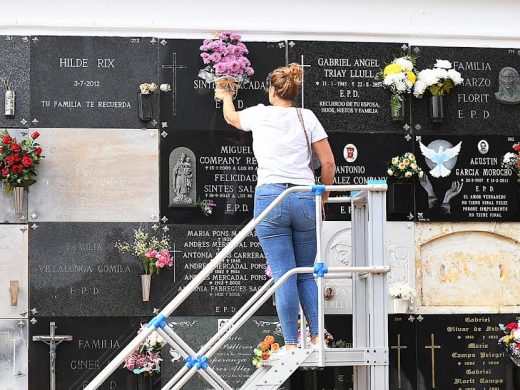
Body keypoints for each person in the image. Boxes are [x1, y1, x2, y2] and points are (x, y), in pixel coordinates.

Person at [215, 63, 336, 351]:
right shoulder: (306, 117)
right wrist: (324, 196)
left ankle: (292, 343)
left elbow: (231, 118)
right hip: (305, 195)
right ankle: (317, 336)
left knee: (284, 274)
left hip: (271, 198)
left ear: (271, 91)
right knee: (305, 273)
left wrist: (227, 95)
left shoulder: (260, 113)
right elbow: (328, 163)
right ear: (294, 92)